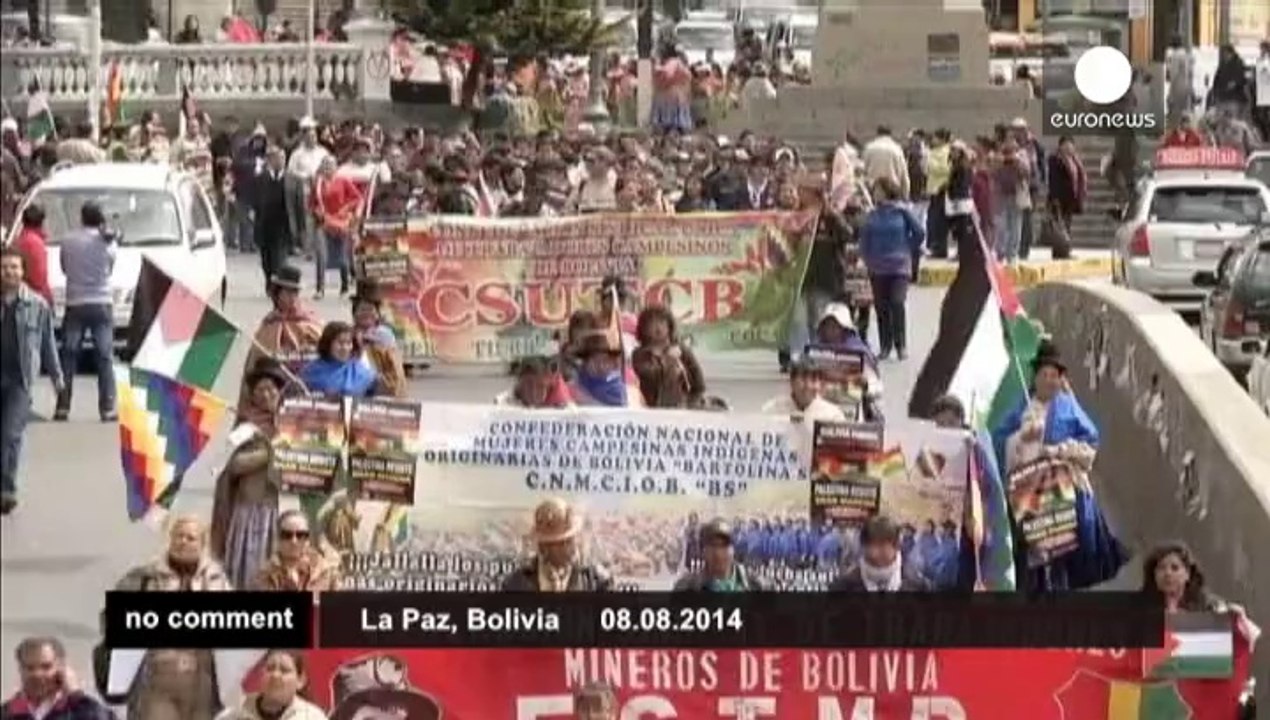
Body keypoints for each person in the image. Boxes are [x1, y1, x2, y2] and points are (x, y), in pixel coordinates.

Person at [993, 342, 1126, 592]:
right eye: (1045, 375)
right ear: (1036, 377)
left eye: (1055, 376)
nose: (1050, 381)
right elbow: (1000, 440)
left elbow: (1090, 440)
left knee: (1065, 552)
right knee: (1033, 554)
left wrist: (1059, 450)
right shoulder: (1023, 405)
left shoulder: (1068, 405)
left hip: (1065, 489)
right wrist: (1021, 438)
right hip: (1030, 491)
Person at [114, 515, 230, 720]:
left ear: (202, 544)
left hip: (202, 683)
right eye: (178, 536)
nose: (183, 541)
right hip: (157, 681)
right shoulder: (145, 577)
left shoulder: (216, 580)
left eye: (190, 538)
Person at [210, 362, 288, 589]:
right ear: (252, 395)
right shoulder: (246, 426)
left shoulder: (295, 422)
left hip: (283, 508)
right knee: (250, 574)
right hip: (253, 512)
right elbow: (232, 465)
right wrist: (269, 452)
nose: (267, 394)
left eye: (271, 388)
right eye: (260, 390)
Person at [0, 249, 63, 516]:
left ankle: (7, 489)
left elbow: (48, 344)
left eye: (14, 267)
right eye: (4, 268)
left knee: (10, 436)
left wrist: (57, 378)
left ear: (23, 271)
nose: (10, 272)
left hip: (20, 381)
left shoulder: (37, 305)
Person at [54, 201, 116, 422]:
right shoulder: (107, 241)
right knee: (105, 355)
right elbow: (110, 267)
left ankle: (63, 405)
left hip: (75, 302)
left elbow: (64, 267)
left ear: (81, 217)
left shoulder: (68, 239)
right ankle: (107, 407)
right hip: (101, 302)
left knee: (69, 354)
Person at [239, 265, 322, 411]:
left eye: (295, 293)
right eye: (287, 293)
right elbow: (256, 363)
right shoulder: (268, 326)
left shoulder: (309, 322)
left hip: (306, 386)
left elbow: (325, 350)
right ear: (277, 294)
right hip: (273, 389)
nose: (291, 298)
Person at [858, 176, 923, 360]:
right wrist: (866, 258)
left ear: (888, 191)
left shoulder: (902, 212)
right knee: (881, 307)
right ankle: (885, 345)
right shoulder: (872, 215)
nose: (875, 194)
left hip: (899, 266)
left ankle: (900, 344)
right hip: (877, 267)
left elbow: (919, 232)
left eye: (878, 190)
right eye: (874, 191)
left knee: (897, 302)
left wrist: (907, 248)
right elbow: (865, 239)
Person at [501, 498, 613, 591]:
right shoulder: (516, 584)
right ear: (543, 547)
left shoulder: (597, 581)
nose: (572, 547)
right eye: (562, 543)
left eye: (571, 539)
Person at [2, 637, 111, 720]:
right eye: (29, 668)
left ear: (62, 668)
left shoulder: (79, 709)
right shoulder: (7, 713)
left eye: (46, 667)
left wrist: (77, 695)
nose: (37, 674)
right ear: (20, 669)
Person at [810, 303, 883, 421]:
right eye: (827, 325)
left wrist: (866, 384)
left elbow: (877, 388)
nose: (830, 329)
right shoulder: (813, 351)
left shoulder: (859, 351)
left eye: (835, 325)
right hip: (820, 406)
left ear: (844, 328)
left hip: (852, 407)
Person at [828, 515, 931, 592]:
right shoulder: (842, 586)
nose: (874, 553)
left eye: (882, 546)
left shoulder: (917, 585)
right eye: (871, 545)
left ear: (896, 546)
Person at [216, 650, 327, 719]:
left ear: (300, 681)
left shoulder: (313, 717)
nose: (275, 675)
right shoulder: (233, 715)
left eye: (284, 670)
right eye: (270, 668)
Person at [631, 305, 705, 408]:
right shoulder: (639, 354)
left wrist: (692, 401)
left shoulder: (681, 350)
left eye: (661, 322)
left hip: (681, 408)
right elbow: (650, 374)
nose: (657, 327)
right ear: (643, 327)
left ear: (669, 325)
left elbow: (697, 378)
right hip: (651, 409)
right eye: (651, 323)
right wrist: (668, 359)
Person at [311, 156, 364, 298]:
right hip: (323, 222)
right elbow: (311, 202)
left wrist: (346, 209)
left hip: (341, 222)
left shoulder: (343, 181)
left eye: (331, 165)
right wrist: (316, 210)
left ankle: (344, 286)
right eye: (325, 165)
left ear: (336, 167)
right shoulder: (317, 183)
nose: (328, 168)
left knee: (342, 257)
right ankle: (320, 289)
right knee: (321, 254)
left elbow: (358, 198)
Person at [250, 511, 340, 592]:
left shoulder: (326, 571)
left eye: (301, 535)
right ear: (278, 538)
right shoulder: (264, 576)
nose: (294, 541)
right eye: (287, 535)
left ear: (308, 538)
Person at [672, 519, 769, 591]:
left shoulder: (757, 586)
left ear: (733, 549)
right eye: (712, 546)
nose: (718, 553)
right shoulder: (686, 587)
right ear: (702, 551)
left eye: (724, 546)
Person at [350, 285, 406, 398]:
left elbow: (393, 363)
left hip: (380, 382)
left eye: (370, 310)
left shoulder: (384, 333)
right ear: (354, 314)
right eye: (362, 310)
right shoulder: (348, 333)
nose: (366, 313)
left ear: (377, 314)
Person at [301, 322, 380, 398]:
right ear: (328, 344)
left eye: (348, 343)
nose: (345, 348)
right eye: (340, 343)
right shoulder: (311, 371)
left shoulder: (361, 370)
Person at [567, 332, 644, 408]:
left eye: (604, 359)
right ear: (585, 361)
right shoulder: (578, 380)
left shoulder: (617, 385)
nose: (599, 365)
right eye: (594, 360)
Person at [253, 145, 291, 290]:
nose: (280, 161)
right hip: (265, 224)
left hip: (282, 225)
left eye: (282, 158)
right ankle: (269, 279)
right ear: (270, 160)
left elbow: (297, 204)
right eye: (276, 158)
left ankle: (278, 284)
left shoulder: (291, 178)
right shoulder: (261, 178)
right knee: (266, 258)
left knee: (279, 258)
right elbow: (255, 200)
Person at [1046, 135, 1086, 235]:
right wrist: (1055, 197)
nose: (1068, 147)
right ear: (1060, 146)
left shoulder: (1075, 160)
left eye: (1070, 145)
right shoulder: (1054, 159)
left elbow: (1080, 178)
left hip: (1071, 197)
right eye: (1066, 145)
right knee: (1058, 223)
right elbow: (1053, 179)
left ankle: (1065, 244)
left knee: (1067, 222)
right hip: (1058, 197)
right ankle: (1060, 245)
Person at [10, 205, 50, 304]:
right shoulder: (34, 243)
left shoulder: (19, 240)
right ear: (41, 222)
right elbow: (39, 277)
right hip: (35, 299)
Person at [496, 356, 572, 408]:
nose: (533, 392)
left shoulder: (562, 403)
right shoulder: (508, 398)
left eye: (539, 385)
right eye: (528, 385)